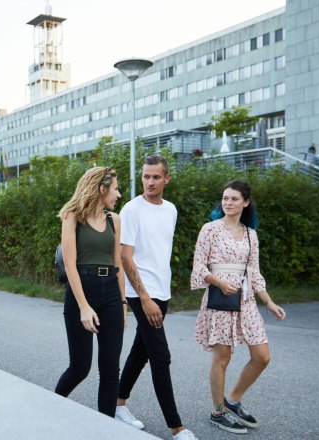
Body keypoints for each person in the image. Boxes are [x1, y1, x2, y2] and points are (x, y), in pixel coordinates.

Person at [190, 180, 286, 434]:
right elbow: (199, 267)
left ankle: (232, 400)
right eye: (225, 198)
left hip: (245, 300)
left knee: (262, 356)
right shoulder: (209, 229)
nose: (228, 203)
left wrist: (269, 301)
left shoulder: (250, 235)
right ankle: (218, 412)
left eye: (234, 199)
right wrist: (219, 281)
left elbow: (253, 273)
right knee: (222, 357)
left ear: (245, 202)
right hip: (219, 299)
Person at [113, 154, 198, 440]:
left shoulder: (170, 210)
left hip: (163, 291)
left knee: (141, 353)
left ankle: (117, 404)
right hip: (141, 293)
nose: (149, 182)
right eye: (146, 176)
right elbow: (126, 257)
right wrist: (145, 298)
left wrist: (158, 295)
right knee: (161, 357)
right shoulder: (131, 209)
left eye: (155, 177)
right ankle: (177, 428)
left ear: (166, 179)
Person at [54, 167, 126, 417]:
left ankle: (106, 428)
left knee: (110, 370)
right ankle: (49, 407)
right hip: (81, 292)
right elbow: (70, 264)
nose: (118, 194)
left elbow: (118, 265)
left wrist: (123, 305)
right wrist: (84, 306)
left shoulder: (114, 220)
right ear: (101, 188)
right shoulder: (72, 216)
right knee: (80, 367)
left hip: (111, 296)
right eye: (115, 188)